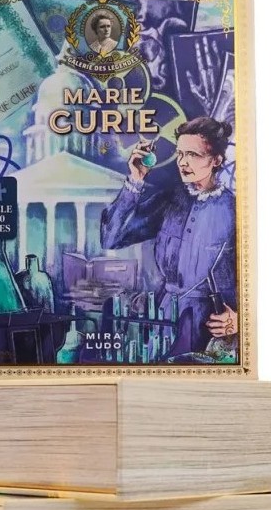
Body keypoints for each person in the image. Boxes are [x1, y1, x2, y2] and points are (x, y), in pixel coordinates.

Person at [101, 116, 237, 358]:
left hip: (211, 331)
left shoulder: (235, 209)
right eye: (180, 154)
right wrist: (135, 180)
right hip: (164, 321)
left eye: (193, 155)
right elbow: (111, 239)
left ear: (216, 160)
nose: (183, 162)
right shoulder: (170, 200)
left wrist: (241, 318)